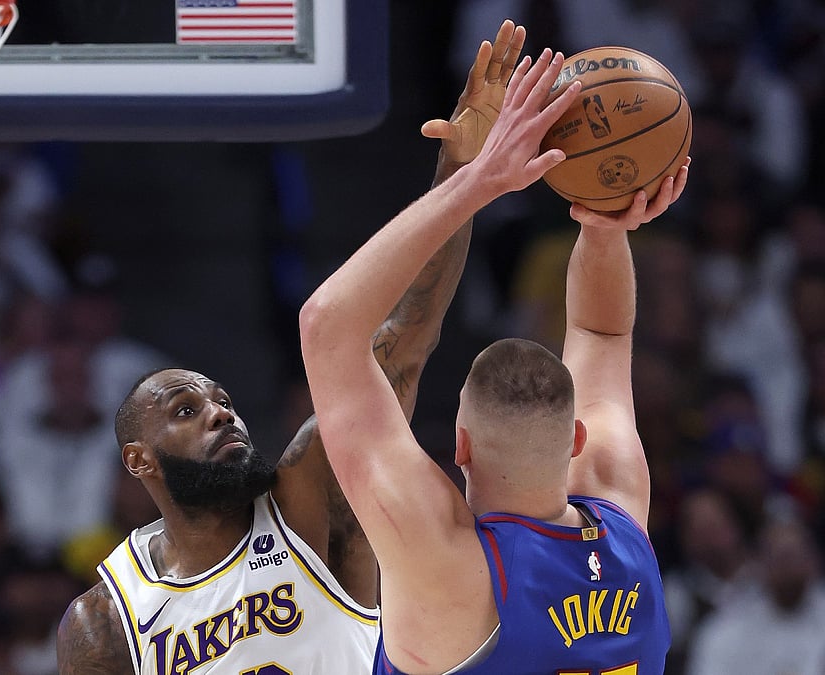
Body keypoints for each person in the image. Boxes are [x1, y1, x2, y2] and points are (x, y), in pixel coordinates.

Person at [55, 19, 529, 675]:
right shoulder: (105, 619)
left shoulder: (311, 498)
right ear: (139, 459)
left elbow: (404, 339)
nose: (222, 411)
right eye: (186, 410)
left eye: (221, 400)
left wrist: (458, 177)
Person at [299, 48, 689, 674]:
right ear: (577, 441)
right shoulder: (618, 511)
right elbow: (600, 330)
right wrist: (605, 223)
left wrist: (478, 178)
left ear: (460, 445)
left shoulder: (448, 569)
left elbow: (326, 328)